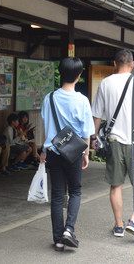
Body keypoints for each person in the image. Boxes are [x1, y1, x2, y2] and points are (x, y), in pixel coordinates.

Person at [40, 57, 94, 252]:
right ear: (79, 76)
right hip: (73, 153)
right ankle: (69, 230)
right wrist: (86, 154)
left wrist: (44, 150)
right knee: (75, 191)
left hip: (53, 152)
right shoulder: (82, 100)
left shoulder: (49, 98)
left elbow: (47, 126)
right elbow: (86, 131)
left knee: (57, 195)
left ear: (60, 74)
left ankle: (58, 239)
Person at [91, 49, 134, 237]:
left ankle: (118, 225)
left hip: (114, 141)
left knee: (116, 185)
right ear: (132, 64)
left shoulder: (105, 83)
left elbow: (97, 115)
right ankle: (133, 221)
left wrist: (93, 138)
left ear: (114, 63)